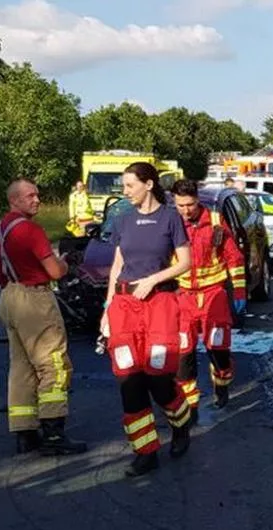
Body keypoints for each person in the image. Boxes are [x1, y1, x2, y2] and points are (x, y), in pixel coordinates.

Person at [102, 162, 192, 477]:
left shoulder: (170, 218)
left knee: (158, 377)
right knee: (129, 380)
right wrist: (107, 308)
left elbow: (185, 263)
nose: (125, 192)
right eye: (124, 186)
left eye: (129, 185)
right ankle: (145, 451)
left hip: (160, 304)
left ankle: (181, 425)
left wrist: (153, 280)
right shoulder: (122, 220)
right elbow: (117, 265)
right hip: (125, 306)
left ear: (148, 184)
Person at [0, 178, 87, 456]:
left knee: (21, 367)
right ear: (15, 201)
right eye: (30, 196)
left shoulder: (2, 227)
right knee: (53, 363)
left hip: (9, 296)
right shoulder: (31, 230)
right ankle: (53, 430)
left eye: (37, 195)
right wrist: (66, 261)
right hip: (34, 299)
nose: (37, 200)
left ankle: (25, 432)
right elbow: (55, 272)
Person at [170, 179, 246, 424]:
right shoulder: (171, 224)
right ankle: (190, 405)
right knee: (184, 355)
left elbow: (233, 258)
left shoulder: (215, 222)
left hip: (214, 295)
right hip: (183, 297)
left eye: (190, 205)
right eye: (180, 205)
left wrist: (240, 294)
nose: (185, 211)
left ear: (197, 200)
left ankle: (222, 383)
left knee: (219, 350)